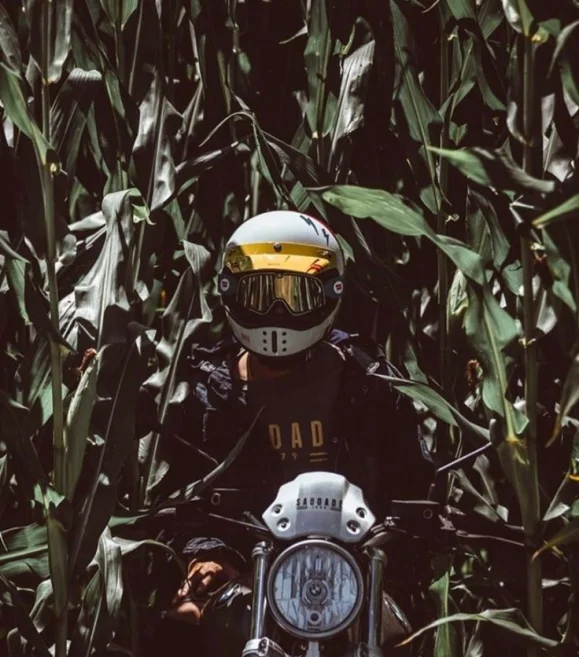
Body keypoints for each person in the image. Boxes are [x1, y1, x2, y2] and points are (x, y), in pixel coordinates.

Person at [157, 209, 433, 629]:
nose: (277, 310)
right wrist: (208, 554)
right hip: (248, 572)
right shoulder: (208, 392)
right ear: (231, 293)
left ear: (330, 292)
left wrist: (402, 545)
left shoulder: (369, 383)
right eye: (259, 294)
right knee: (183, 623)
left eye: (296, 295)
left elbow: (412, 480)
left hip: (353, 573)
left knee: (396, 638)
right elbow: (182, 491)